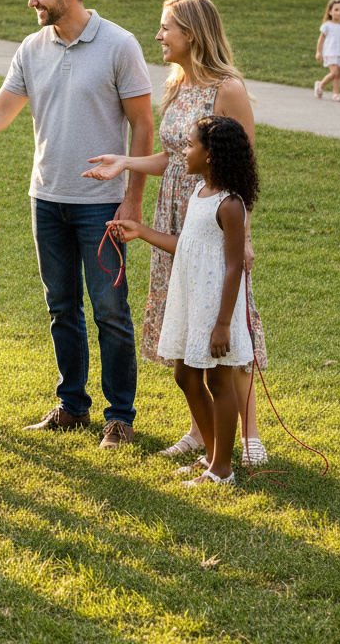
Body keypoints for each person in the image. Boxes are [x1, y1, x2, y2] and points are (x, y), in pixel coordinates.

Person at [0, 0, 154, 447]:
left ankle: (120, 416)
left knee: (109, 308)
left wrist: (132, 199)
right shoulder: (32, 48)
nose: (31, 0)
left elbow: (143, 125)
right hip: (46, 198)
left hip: (102, 203)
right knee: (61, 305)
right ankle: (73, 406)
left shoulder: (119, 44)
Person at [84, 0, 269, 466]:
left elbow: (243, 164)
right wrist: (125, 161)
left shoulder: (226, 88)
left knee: (224, 326)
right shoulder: (178, 83)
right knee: (189, 320)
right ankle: (199, 430)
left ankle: (248, 437)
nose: (159, 35)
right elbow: (172, 156)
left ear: (192, 33)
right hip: (176, 216)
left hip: (214, 217)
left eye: (166, 27)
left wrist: (242, 235)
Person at [109, 115, 260, 486]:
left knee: (219, 383)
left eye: (190, 145)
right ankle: (212, 456)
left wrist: (224, 322)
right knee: (185, 374)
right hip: (191, 299)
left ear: (210, 155)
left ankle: (222, 470)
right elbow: (188, 245)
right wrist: (142, 232)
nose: (184, 151)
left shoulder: (230, 205)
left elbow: (234, 265)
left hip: (216, 307)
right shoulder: (199, 193)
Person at [314, 0, 340, 103]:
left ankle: (336, 94)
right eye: (336, 10)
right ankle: (320, 85)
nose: (339, 12)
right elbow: (321, 39)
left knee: (339, 74)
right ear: (330, 11)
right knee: (334, 72)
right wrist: (318, 52)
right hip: (330, 52)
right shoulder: (327, 25)